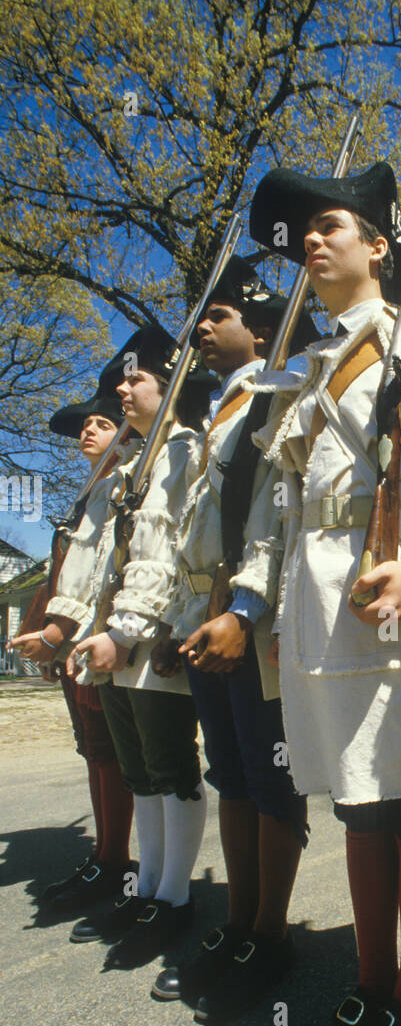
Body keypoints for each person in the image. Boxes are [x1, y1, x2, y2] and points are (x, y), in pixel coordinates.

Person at [246, 160, 401, 1026]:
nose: (314, 238)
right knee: (353, 801)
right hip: (314, 605)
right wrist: (256, 602)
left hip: (391, 593)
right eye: (306, 230)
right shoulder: (295, 371)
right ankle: (369, 984)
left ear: (380, 245)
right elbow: (277, 503)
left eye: (333, 224)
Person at [148, 257, 311, 1024]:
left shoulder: (275, 392)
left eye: (218, 315)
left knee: (270, 776)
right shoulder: (214, 412)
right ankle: (240, 922)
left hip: (254, 613)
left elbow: (272, 514)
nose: (203, 329)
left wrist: (245, 609)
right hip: (205, 612)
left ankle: (272, 935)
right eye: (199, 319)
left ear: (257, 322)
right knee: (232, 775)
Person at [65, 327, 214, 965]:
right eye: (122, 381)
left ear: (170, 386)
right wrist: (74, 625)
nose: (123, 390)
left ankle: (174, 897)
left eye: (136, 380)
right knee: (140, 773)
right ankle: (147, 883)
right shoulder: (125, 469)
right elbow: (98, 558)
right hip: (112, 639)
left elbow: (167, 553)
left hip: (155, 634)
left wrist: (127, 631)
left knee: (170, 766)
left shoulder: (184, 453)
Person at [9, 369, 136, 909]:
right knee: (93, 751)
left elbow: (111, 571)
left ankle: (117, 863)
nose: (88, 431)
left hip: (105, 637)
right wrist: (47, 636)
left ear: (126, 435)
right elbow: (62, 574)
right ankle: (104, 857)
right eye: (85, 424)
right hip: (71, 641)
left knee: (115, 754)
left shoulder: (128, 482)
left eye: (103, 423)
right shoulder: (88, 492)